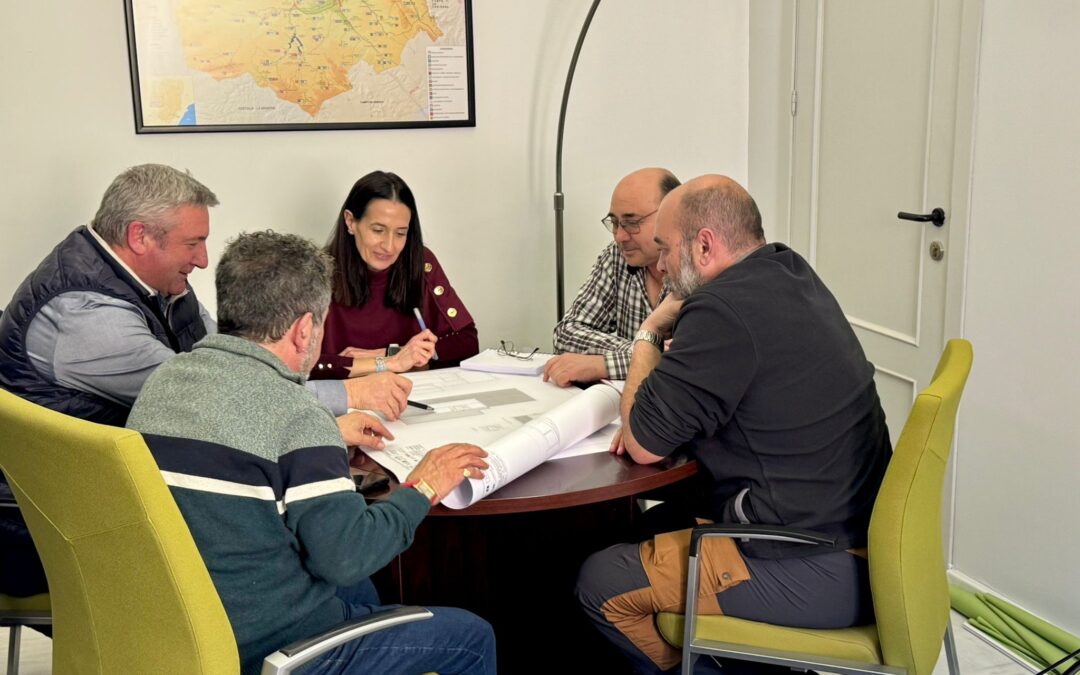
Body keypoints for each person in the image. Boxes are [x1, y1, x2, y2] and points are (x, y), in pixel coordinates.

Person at [0, 164, 410, 599]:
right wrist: (337, 402)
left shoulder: (154, 282)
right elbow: (208, 395)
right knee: (303, 552)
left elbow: (237, 358)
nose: (202, 260)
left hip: (105, 494)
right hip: (45, 528)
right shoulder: (85, 317)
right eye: (192, 243)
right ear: (140, 236)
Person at [127, 230, 495, 675]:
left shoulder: (165, 381)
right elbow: (345, 556)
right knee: (472, 636)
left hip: (177, 625)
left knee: (362, 590)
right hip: (266, 647)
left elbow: (243, 444)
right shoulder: (299, 415)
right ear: (305, 329)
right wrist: (424, 486)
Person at [575, 176, 892, 674]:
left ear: (704, 245)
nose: (659, 265)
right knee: (646, 524)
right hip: (856, 536)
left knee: (600, 582)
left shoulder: (721, 308)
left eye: (665, 247)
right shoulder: (788, 269)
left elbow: (641, 442)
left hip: (813, 563)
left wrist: (649, 331)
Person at [309, 171, 478, 379]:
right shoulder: (315, 273)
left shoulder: (420, 262)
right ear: (351, 222)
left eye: (400, 233)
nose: (389, 246)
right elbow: (297, 365)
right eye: (378, 230)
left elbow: (467, 342)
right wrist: (394, 362)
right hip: (345, 404)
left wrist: (389, 355)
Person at [544, 167, 680, 387]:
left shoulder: (698, 269)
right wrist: (643, 351)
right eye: (615, 223)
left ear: (671, 214)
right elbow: (566, 334)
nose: (619, 236)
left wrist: (604, 365)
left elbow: (686, 364)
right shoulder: (618, 256)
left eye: (632, 222)